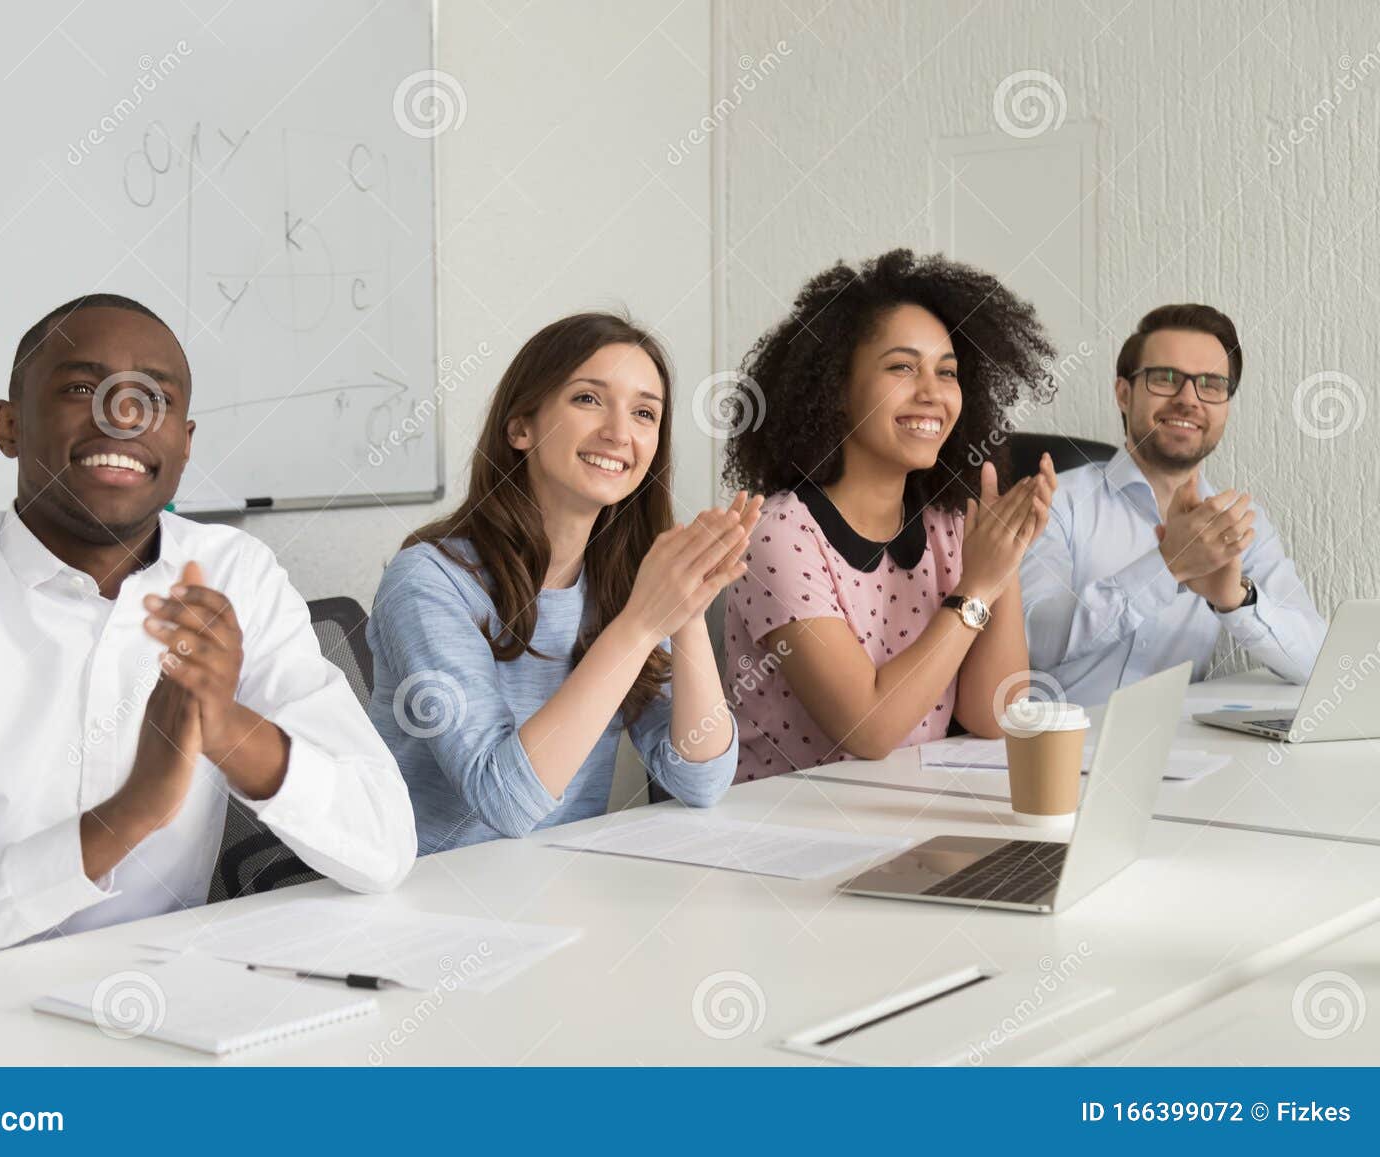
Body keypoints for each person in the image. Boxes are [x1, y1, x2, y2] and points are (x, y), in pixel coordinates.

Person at [0, 294, 415, 981]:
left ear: (184, 443)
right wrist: (127, 816)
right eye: (81, 388)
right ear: (9, 426)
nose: (121, 416)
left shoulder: (233, 575)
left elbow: (383, 847)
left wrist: (226, 726)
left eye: (151, 397)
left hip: (162, 994)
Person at [366, 313, 754, 854]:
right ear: (521, 426)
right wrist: (642, 623)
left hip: (558, 886)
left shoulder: (624, 581)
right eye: (588, 399)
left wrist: (686, 607)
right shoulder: (430, 581)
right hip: (432, 898)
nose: (619, 432)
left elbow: (700, 782)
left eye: (645, 413)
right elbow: (503, 802)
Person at [720, 249, 1058, 779]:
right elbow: (870, 730)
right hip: (792, 835)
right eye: (902, 367)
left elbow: (995, 714)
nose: (932, 393)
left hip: (910, 819)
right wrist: (977, 587)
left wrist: (1002, 561)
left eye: (947, 372)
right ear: (836, 391)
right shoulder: (779, 534)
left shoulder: (948, 522)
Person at [1021, 304, 1324, 704]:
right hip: (1050, 753)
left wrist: (1235, 598)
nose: (1188, 399)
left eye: (1211, 385)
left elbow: (1316, 661)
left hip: (1174, 755)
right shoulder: (1055, 501)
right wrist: (1167, 566)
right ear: (1124, 394)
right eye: (1165, 379)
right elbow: (1033, 641)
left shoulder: (1239, 523)